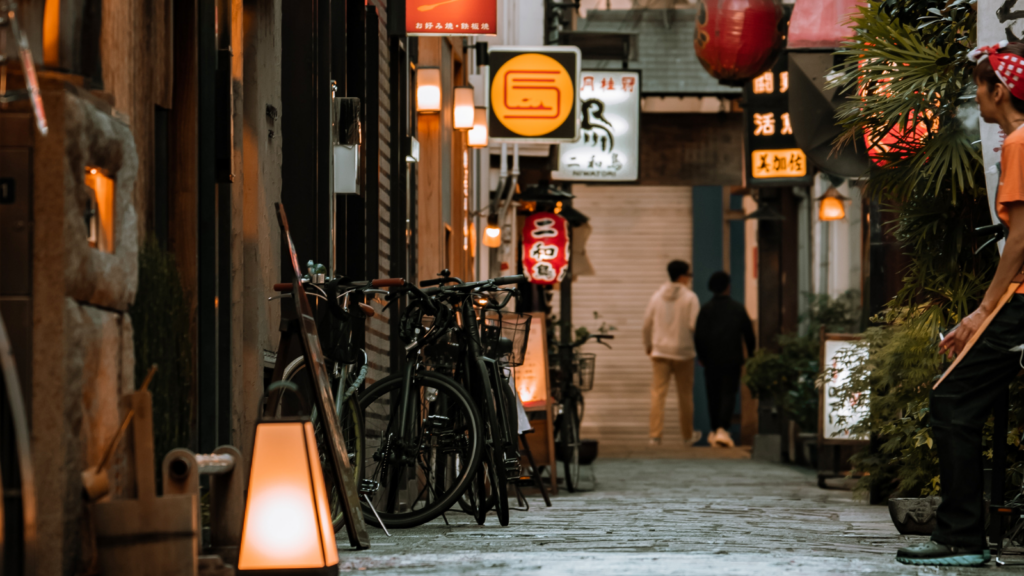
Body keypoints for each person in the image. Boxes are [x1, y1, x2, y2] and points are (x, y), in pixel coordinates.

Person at [896, 41, 1024, 567]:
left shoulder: (1019, 142)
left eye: (980, 84)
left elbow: (1019, 241)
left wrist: (979, 313)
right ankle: (964, 535)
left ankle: (961, 538)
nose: (978, 95)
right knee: (961, 401)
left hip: (1019, 306)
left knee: (951, 402)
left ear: (1000, 90)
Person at [643, 260, 702, 446]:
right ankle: (686, 436)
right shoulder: (691, 298)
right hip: (684, 353)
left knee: (658, 394)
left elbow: (646, 324)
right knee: (685, 395)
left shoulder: (657, 296)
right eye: (688, 275)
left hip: (660, 351)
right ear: (682, 276)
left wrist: (648, 345)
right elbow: (695, 326)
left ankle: (655, 436)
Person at [694, 271, 756, 448]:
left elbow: (699, 336)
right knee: (728, 393)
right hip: (732, 359)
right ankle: (723, 428)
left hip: (711, 360)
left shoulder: (706, 309)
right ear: (728, 287)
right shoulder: (737, 308)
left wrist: (702, 356)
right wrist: (751, 355)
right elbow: (749, 334)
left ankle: (715, 429)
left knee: (712, 394)